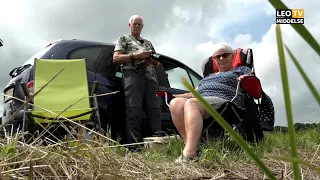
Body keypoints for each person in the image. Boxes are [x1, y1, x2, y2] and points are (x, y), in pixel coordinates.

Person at [170, 42, 253, 163]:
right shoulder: (208, 77)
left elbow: (253, 84)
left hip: (226, 102)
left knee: (192, 103)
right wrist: (172, 96)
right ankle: (193, 147)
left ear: (233, 56)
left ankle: (190, 154)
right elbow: (192, 93)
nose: (221, 58)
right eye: (217, 57)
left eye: (225, 55)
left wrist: (246, 79)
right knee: (175, 103)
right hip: (201, 101)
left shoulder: (241, 70)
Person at [113, 15, 162, 151]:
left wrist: (152, 60)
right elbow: (116, 58)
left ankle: (158, 147)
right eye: (135, 24)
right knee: (134, 109)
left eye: (139, 24)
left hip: (151, 79)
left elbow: (157, 64)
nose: (137, 26)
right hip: (133, 75)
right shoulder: (124, 39)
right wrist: (135, 56)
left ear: (142, 27)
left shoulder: (148, 43)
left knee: (155, 111)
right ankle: (134, 148)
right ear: (129, 25)